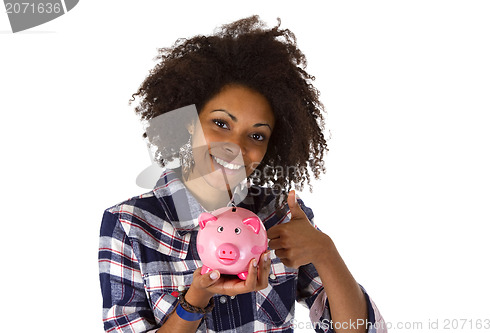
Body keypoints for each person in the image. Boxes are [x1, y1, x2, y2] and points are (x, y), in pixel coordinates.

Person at [99, 15, 386, 333]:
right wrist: (196, 299)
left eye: (257, 135)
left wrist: (325, 251)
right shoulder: (130, 224)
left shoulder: (280, 214)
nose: (235, 146)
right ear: (190, 122)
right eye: (221, 123)